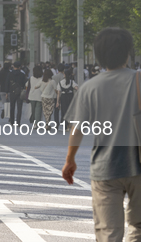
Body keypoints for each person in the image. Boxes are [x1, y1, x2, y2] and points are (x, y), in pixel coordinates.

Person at [62, 28, 141, 241]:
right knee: (139, 228)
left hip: (105, 169)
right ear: (127, 53)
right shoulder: (139, 80)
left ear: (99, 56)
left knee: (108, 232)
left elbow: (77, 130)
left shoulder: (90, 88)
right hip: (139, 168)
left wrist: (70, 160)